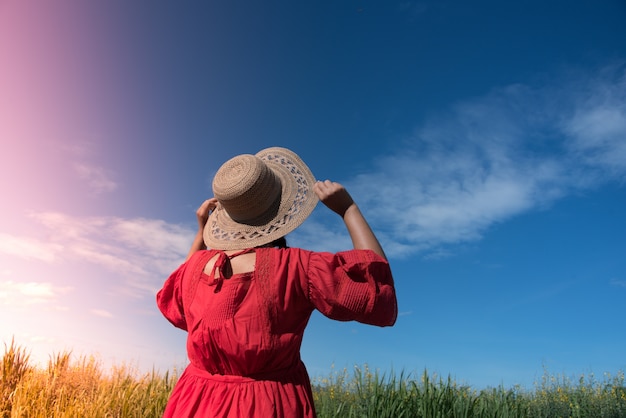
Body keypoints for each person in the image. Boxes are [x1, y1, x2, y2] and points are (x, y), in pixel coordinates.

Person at [157, 147, 397, 417]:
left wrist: (201, 232)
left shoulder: (195, 271)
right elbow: (377, 293)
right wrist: (349, 210)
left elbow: (178, 304)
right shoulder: (299, 268)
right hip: (267, 405)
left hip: (193, 402)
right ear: (280, 211)